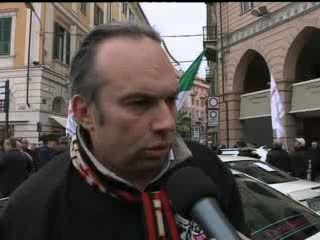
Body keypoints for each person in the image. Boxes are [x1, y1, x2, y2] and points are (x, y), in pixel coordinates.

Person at [0, 22, 249, 240]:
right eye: (139, 103)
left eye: (171, 100)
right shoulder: (33, 210)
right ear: (85, 113)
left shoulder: (206, 166)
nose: (167, 123)